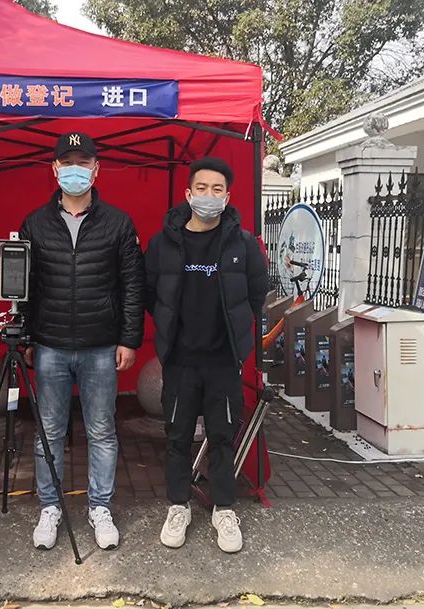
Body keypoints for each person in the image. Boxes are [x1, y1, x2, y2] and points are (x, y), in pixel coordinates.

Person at [19, 132, 144, 551]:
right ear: (54, 169)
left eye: (83, 162)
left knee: (102, 430)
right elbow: (27, 286)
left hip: (101, 345)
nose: (76, 170)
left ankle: (100, 507)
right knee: (49, 431)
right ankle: (50, 506)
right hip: (50, 345)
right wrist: (28, 336)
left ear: (96, 169)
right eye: (68, 162)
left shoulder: (118, 223)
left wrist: (128, 339)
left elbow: (132, 285)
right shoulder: (35, 223)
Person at [144, 156, 269, 553]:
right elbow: (150, 293)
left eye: (217, 190)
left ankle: (224, 509)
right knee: (177, 436)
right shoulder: (163, 243)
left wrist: (235, 335)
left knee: (222, 437)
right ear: (188, 193)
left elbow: (257, 293)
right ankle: (178, 506)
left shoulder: (243, 245)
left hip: (223, 362)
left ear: (227, 197)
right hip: (180, 361)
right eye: (202, 188)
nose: (209, 196)